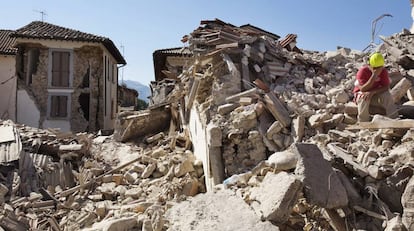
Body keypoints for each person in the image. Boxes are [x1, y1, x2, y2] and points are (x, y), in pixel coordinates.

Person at [353, 52, 398, 122]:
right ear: (370, 65)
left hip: (374, 95)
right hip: (362, 94)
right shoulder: (362, 71)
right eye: (375, 68)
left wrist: (373, 92)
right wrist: (374, 75)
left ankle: (394, 118)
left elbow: (386, 87)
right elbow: (363, 89)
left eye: (379, 68)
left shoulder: (383, 71)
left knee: (387, 95)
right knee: (364, 96)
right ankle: (363, 122)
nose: (377, 69)